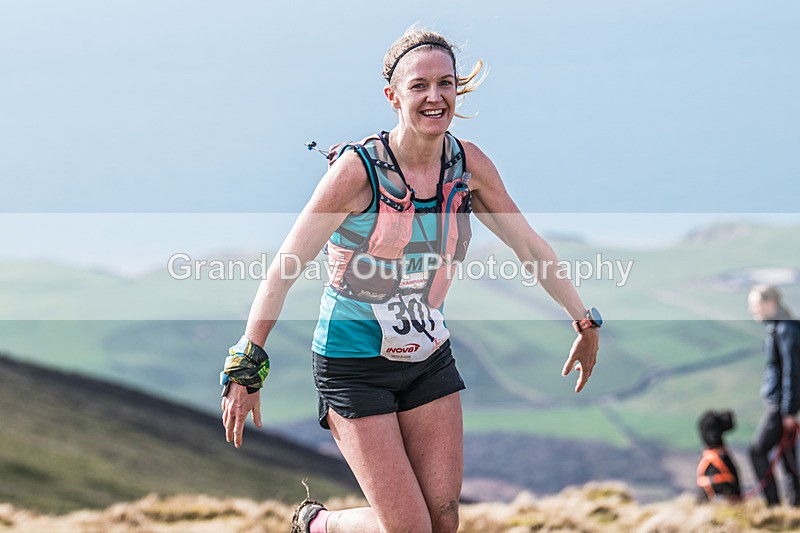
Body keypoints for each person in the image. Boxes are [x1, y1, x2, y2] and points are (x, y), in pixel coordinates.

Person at [220, 28, 601, 533]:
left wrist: (583, 318)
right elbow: (286, 265)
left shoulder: (468, 165)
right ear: (393, 96)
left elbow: (528, 244)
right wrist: (248, 359)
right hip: (352, 365)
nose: (435, 97)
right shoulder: (358, 173)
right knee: (409, 530)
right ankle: (317, 526)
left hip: (427, 358)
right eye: (419, 85)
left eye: (446, 83)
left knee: (443, 521)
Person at [748, 284, 800, 506]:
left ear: (770, 303)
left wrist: (789, 410)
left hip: (780, 405)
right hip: (780, 403)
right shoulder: (779, 327)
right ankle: (794, 505)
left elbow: (792, 371)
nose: (753, 311)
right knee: (788, 457)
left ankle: (772, 505)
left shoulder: (786, 330)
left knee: (757, 451)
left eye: (756, 305)